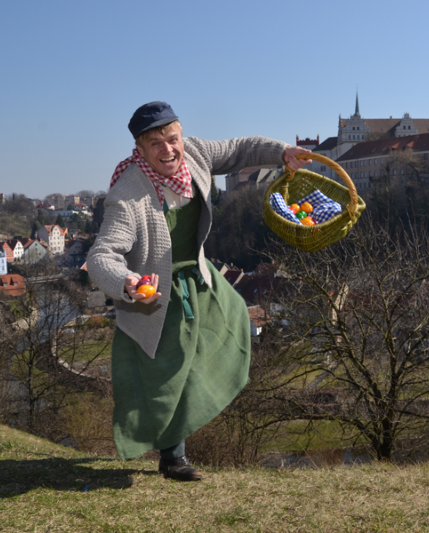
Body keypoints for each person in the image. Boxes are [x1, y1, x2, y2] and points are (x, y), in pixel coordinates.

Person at [87, 101, 310, 481]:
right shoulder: (127, 195)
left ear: (181, 135)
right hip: (156, 293)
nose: (168, 150)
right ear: (139, 149)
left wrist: (281, 152)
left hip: (200, 277)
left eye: (172, 139)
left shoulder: (197, 153)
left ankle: (188, 432)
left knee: (237, 320)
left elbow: (240, 149)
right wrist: (127, 283)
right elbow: (101, 256)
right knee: (172, 374)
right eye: (155, 144)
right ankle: (173, 458)